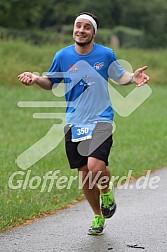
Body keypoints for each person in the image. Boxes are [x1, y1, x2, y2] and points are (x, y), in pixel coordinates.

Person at [18, 12, 150, 235]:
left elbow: (120, 76)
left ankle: (107, 192)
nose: (81, 30)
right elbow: (50, 82)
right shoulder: (62, 55)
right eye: (78, 26)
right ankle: (98, 216)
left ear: (93, 32)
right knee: (85, 176)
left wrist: (132, 78)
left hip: (101, 119)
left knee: (95, 166)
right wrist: (35, 78)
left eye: (86, 27)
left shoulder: (105, 54)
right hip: (74, 122)